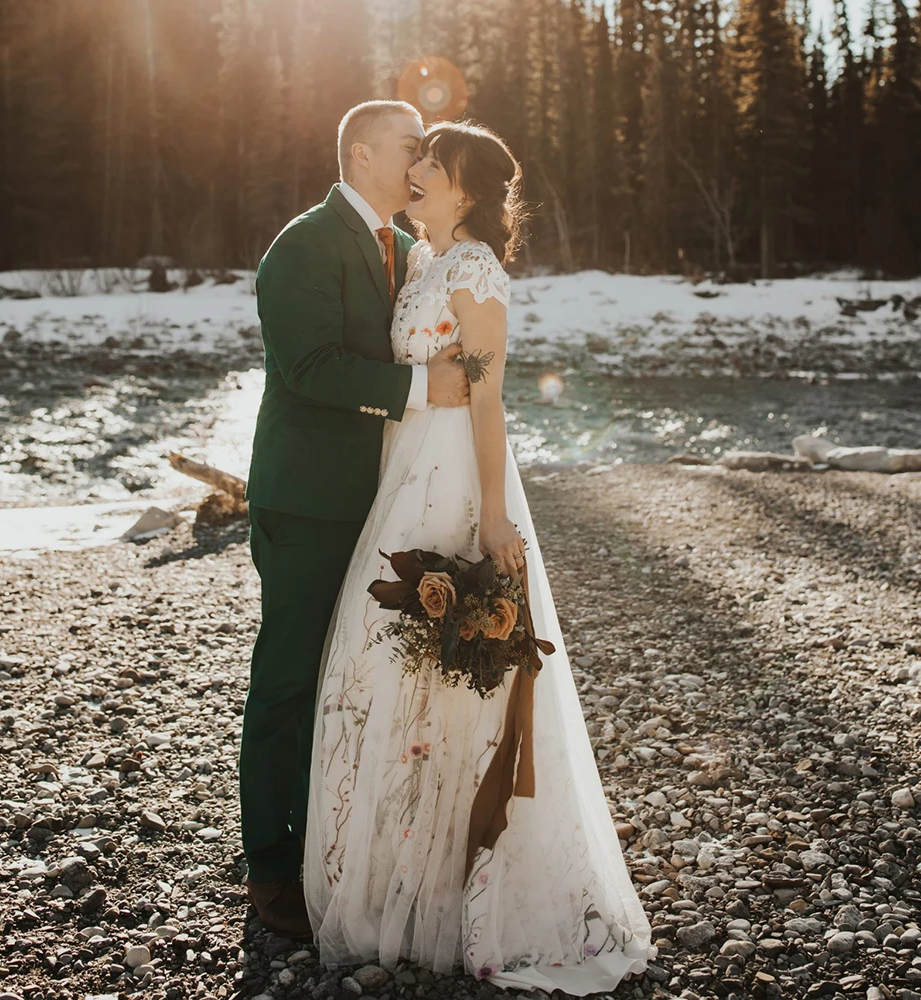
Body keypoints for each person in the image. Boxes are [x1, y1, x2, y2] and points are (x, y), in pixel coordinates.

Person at [303, 121, 655, 994]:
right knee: (383, 665)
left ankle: (458, 888)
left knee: (449, 666)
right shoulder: (424, 262)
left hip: (456, 481)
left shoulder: (477, 274)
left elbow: (490, 403)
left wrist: (494, 516)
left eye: (434, 165)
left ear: (465, 190)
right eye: (415, 160)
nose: (416, 172)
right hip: (403, 472)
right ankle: (392, 874)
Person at [239, 101, 470, 940]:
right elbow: (306, 367)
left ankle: (339, 846)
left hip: (384, 501)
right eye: (412, 146)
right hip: (305, 501)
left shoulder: (408, 250)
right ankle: (269, 862)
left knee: (362, 681)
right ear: (364, 152)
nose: (421, 159)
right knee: (292, 678)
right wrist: (417, 391)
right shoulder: (300, 245)